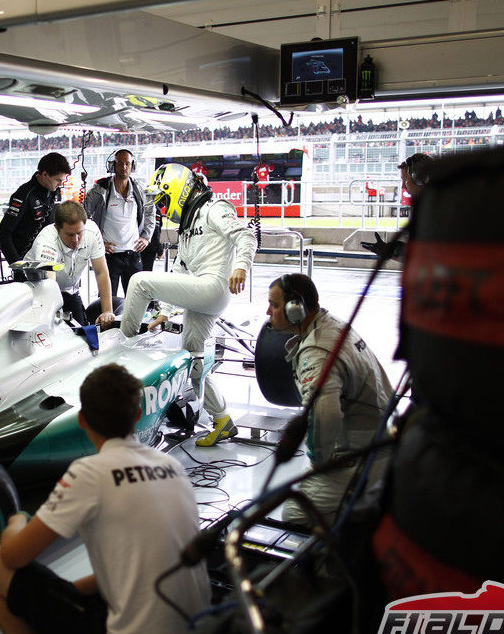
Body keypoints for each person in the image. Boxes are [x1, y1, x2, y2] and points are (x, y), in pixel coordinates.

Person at [0, 363, 210, 634]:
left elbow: (13, 558)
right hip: (197, 630)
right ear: (137, 415)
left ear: (82, 420)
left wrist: (17, 521)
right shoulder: (172, 466)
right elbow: (137, 569)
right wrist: (67, 593)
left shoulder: (89, 473)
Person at [120, 163, 257, 447]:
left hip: (213, 288)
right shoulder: (186, 227)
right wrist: (164, 313)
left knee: (139, 282)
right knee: (193, 360)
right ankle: (222, 421)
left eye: (165, 200)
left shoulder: (215, 208)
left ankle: (121, 345)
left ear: (178, 189)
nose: (164, 208)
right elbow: (181, 274)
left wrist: (241, 266)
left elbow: (245, 235)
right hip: (202, 293)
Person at [266, 273, 393, 525]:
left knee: (294, 513)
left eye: (275, 305)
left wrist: (319, 462)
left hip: (361, 456)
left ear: (295, 310)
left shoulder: (316, 352)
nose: (268, 311)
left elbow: (323, 417)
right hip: (380, 440)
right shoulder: (331, 323)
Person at [24, 200, 114, 328]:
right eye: (70, 235)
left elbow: (101, 272)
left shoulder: (92, 232)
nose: (76, 240)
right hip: (38, 290)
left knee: (82, 333)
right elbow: (50, 284)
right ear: (56, 228)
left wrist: (107, 311)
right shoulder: (46, 242)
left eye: (79, 233)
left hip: (69, 289)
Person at [83, 149, 154, 295]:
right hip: (109, 256)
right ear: (112, 166)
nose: (123, 167)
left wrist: (146, 238)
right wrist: (97, 243)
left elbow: (150, 213)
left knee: (135, 301)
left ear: (132, 166)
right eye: (120, 163)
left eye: (127, 163)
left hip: (133, 254)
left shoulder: (140, 190)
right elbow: (83, 217)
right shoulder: (99, 191)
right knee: (107, 302)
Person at [0, 152, 70, 265]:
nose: (61, 184)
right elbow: (2, 234)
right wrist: (17, 264)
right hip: (27, 263)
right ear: (45, 174)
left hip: (49, 259)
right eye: (58, 180)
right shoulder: (24, 194)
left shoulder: (55, 192)